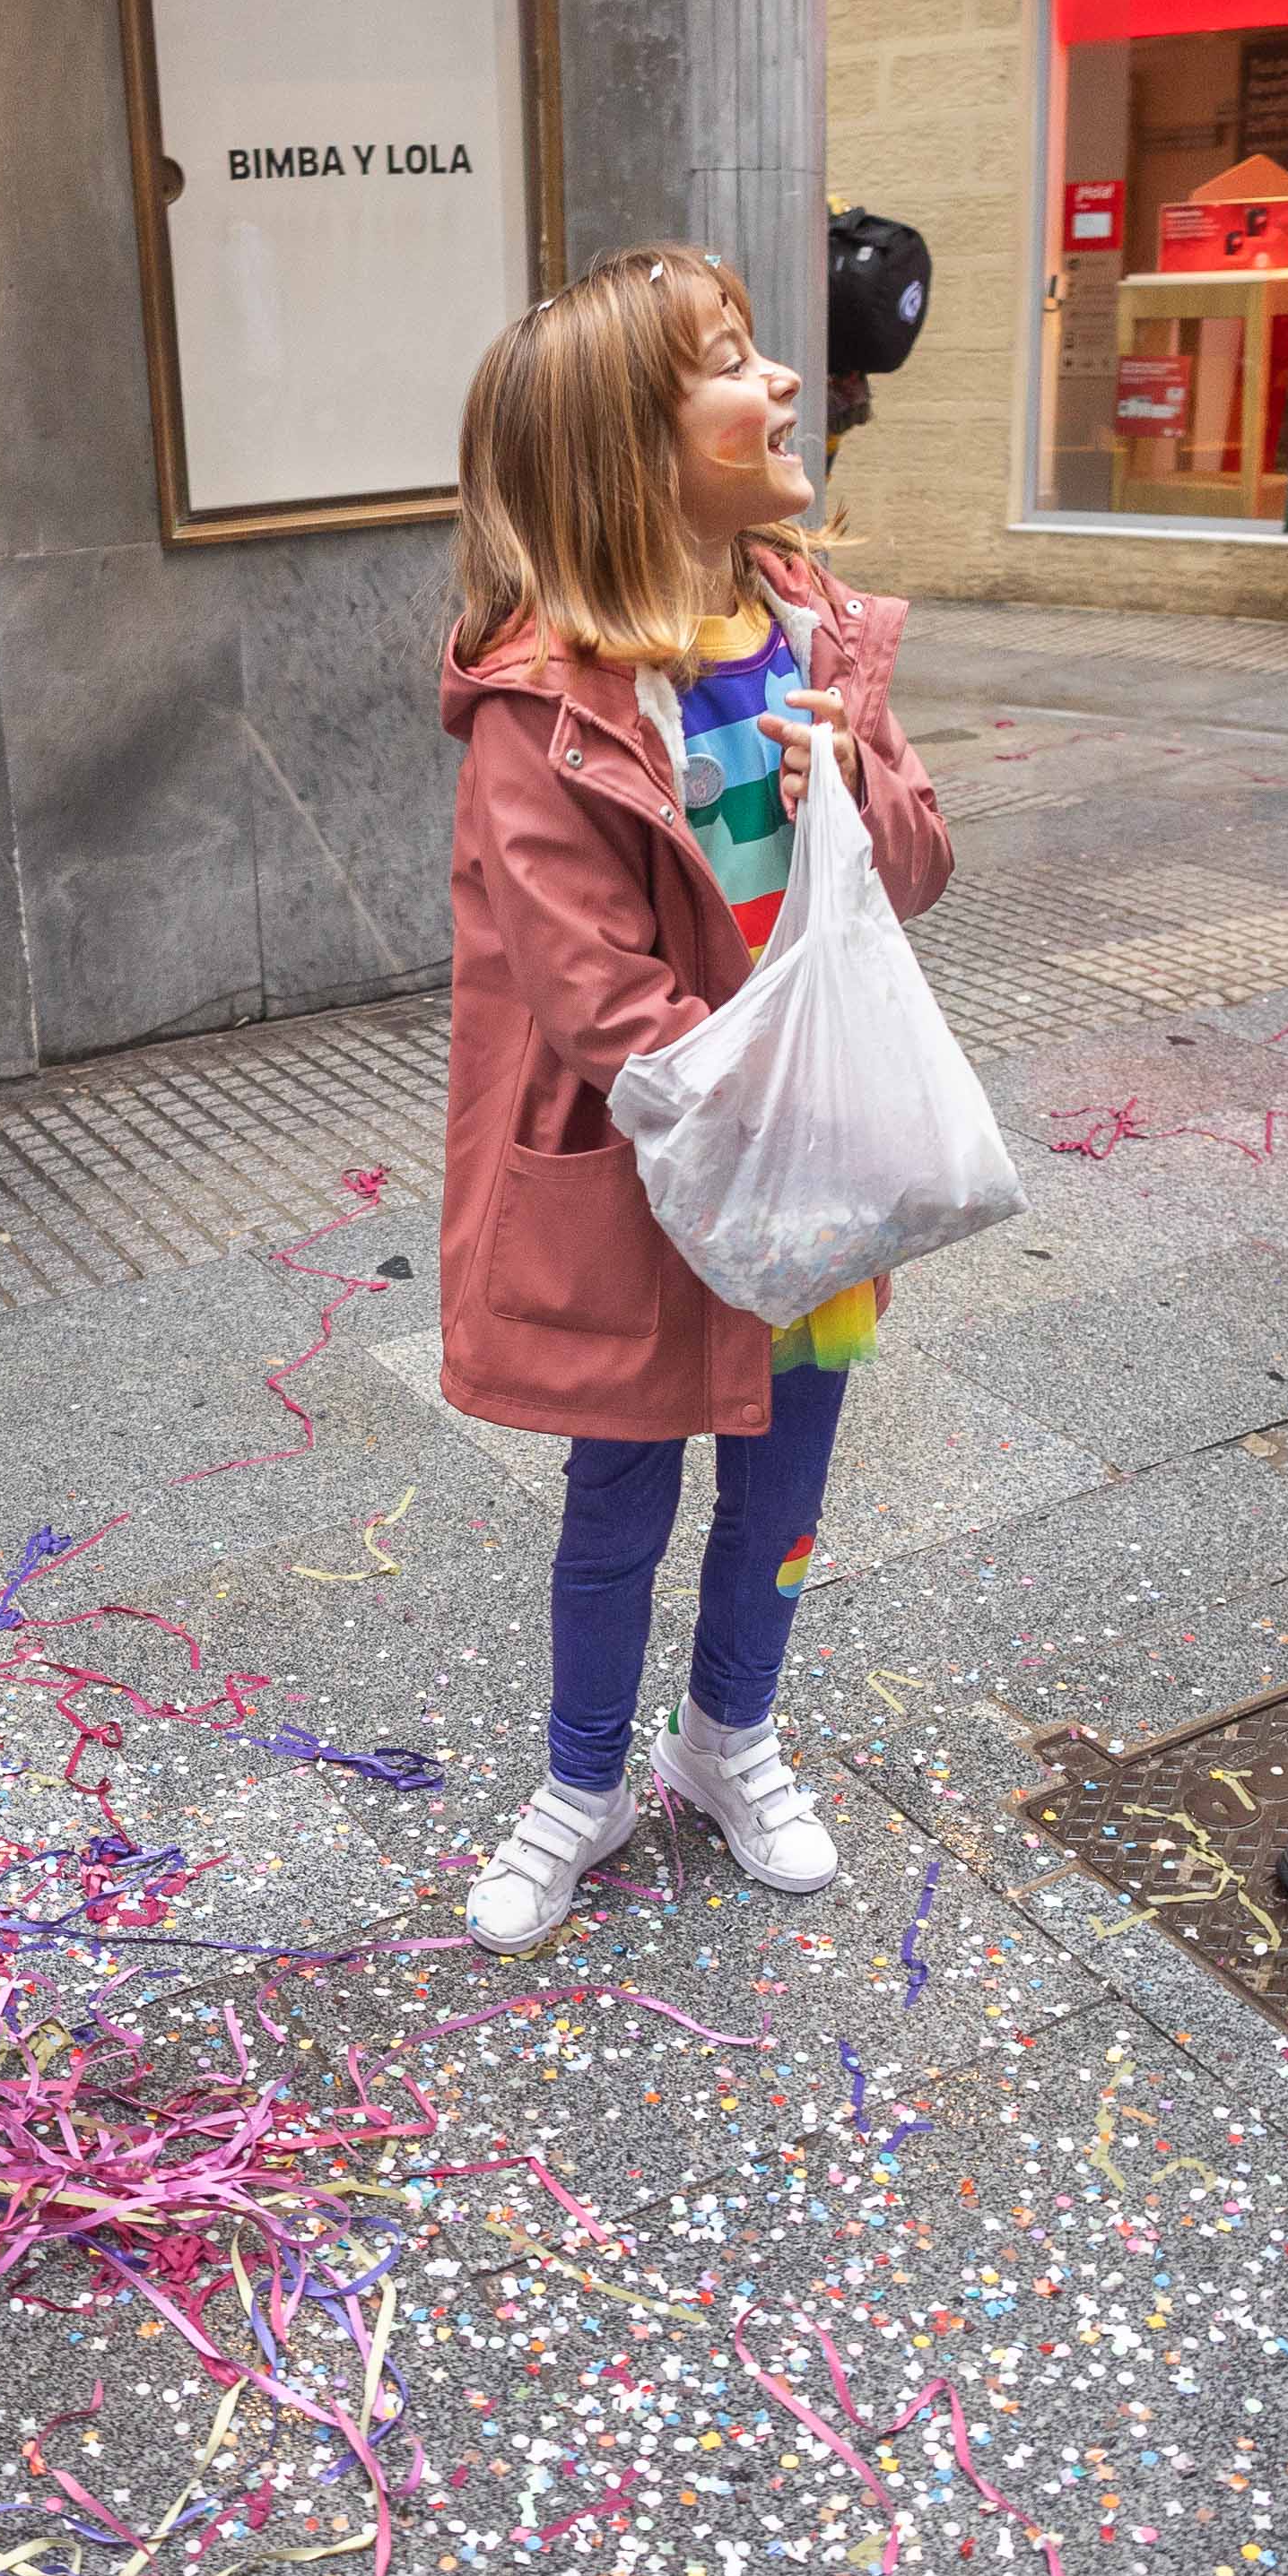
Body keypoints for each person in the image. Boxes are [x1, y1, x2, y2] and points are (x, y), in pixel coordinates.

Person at [435, 247, 956, 1956]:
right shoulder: (546, 703)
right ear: (622, 449)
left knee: (784, 1481)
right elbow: (595, 996)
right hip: (654, 1183)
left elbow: (922, 869)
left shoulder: (812, 628)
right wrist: (757, 1135)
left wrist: (854, 782)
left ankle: (729, 1740)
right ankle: (582, 1777)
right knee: (622, 1485)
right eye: (731, 360)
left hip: (810, 1179)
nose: (784, 379)